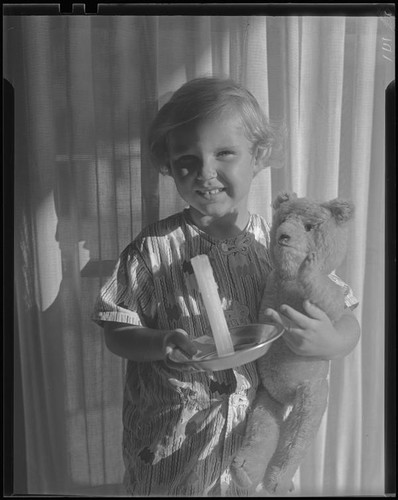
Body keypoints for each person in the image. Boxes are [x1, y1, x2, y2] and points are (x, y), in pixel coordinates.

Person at [92, 77, 360, 496]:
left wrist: (332, 342)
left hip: (250, 447)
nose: (206, 173)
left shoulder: (279, 246)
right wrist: (162, 341)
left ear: (259, 156)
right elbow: (116, 329)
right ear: (167, 164)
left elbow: (345, 318)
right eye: (186, 159)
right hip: (172, 448)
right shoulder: (150, 250)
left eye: (225, 154)